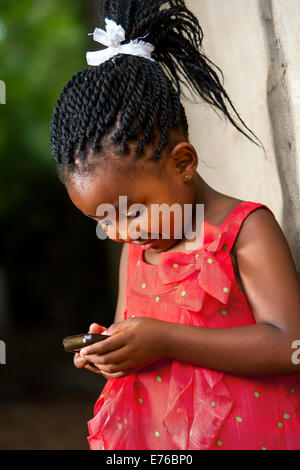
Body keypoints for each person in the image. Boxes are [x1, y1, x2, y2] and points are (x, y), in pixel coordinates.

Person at [50, 0, 300, 450]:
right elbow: (135, 328)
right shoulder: (137, 252)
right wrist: (113, 349)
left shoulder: (242, 231)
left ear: (183, 162)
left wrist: (165, 339)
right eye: (102, 218)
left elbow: (289, 346)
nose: (121, 231)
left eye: (132, 210)